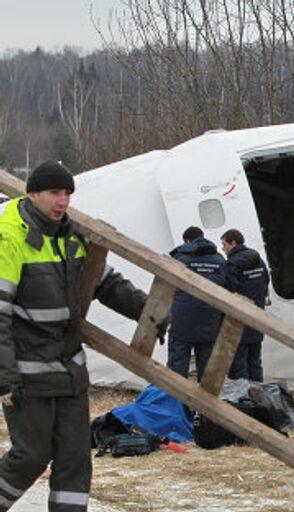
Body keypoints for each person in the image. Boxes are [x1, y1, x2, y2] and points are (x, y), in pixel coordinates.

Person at [0, 160, 148, 512]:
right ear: (33, 193)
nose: (63, 201)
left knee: (75, 461)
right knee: (31, 456)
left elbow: (108, 283)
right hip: (27, 374)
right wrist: (4, 378)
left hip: (70, 371)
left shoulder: (74, 235)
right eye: (54, 193)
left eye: (67, 193)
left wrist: (153, 313)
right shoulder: (9, 238)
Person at [167, 226, 227, 380]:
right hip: (210, 318)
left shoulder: (180, 258)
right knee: (207, 367)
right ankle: (205, 402)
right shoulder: (219, 259)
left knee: (178, 364)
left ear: (187, 240)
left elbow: (168, 286)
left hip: (182, 318)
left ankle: (176, 400)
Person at [220, 229, 270, 382]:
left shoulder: (232, 264)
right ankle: (259, 396)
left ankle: (244, 399)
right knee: (255, 362)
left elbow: (230, 289)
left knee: (238, 364)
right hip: (257, 316)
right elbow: (266, 281)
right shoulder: (258, 260)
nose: (223, 249)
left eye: (224, 244)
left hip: (238, 320)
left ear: (233, 243)